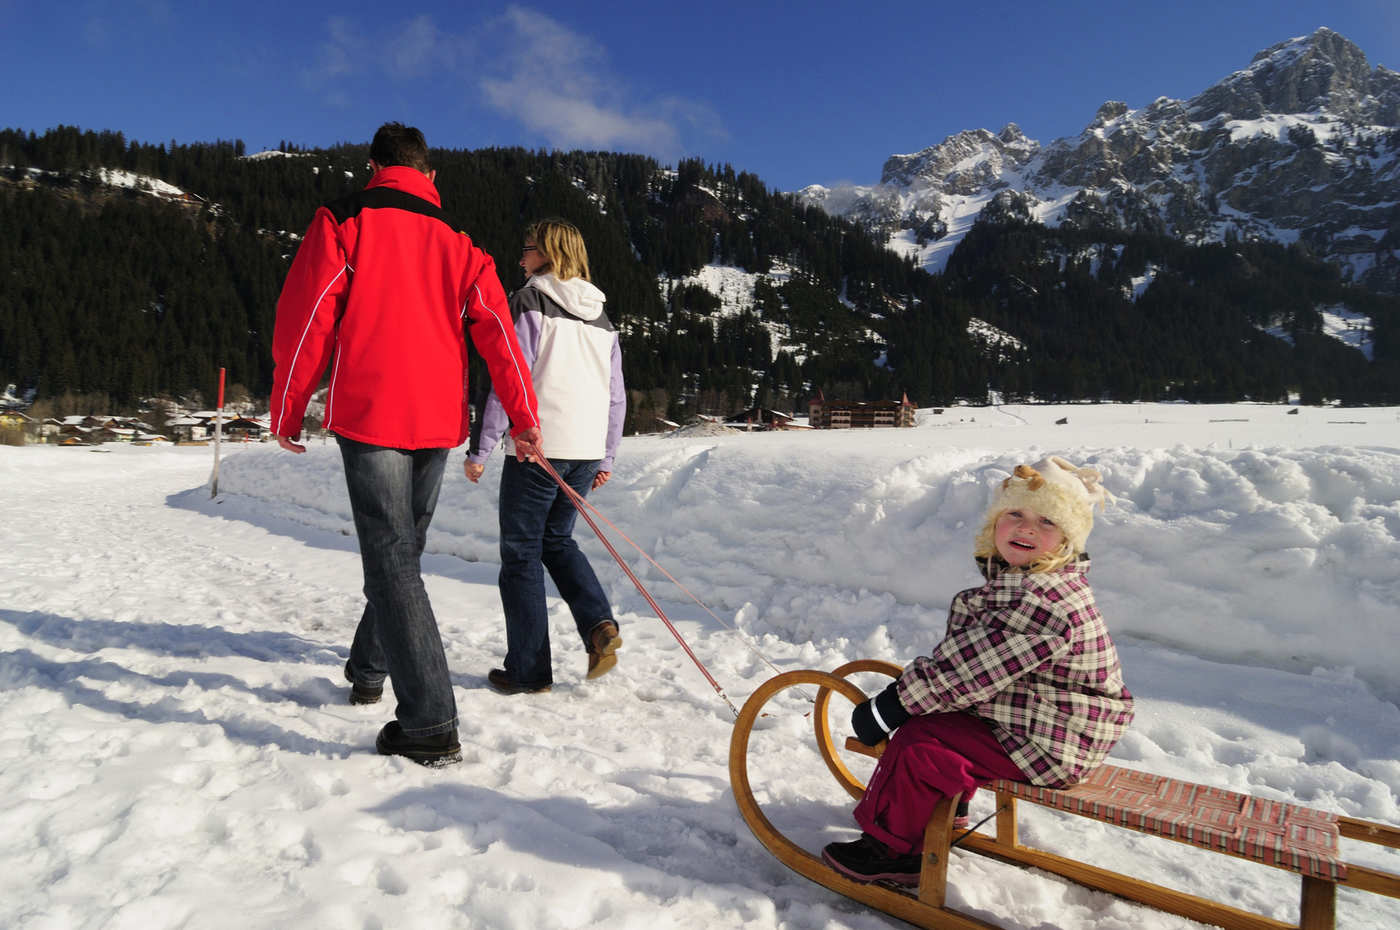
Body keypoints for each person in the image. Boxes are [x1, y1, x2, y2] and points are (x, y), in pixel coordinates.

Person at [269, 122, 542, 766]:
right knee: (403, 553)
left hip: (371, 412)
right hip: (438, 419)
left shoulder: (344, 222)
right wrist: (524, 417)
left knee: (392, 560)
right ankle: (368, 670)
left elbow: (307, 316)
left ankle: (429, 721)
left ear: (372, 167)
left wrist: (288, 406)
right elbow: (499, 333)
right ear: (432, 176)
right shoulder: (462, 245)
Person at [821, 456, 1135, 884]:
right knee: (945, 721)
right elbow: (973, 669)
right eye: (1015, 514)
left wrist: (890, 707)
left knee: (921, 740)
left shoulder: (1043, 602)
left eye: (1046, 522)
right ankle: (945, 813)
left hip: (1057, 740)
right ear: (995, 523)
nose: (1026, 528)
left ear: (1066, 541)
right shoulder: (1024, 583)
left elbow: (965, 674)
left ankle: (893, 849)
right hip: (1041, 721)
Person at [465, 218, 626, 694]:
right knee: (557, 541)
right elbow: (616, 395)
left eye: (529, 248)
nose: (521, 257)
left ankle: (529, 671)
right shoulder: (603, 317)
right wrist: (606, 457)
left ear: (551, 254)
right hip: (583, 451)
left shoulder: (528, 302)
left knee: (520, 556)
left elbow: (509, 378)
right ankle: (598, 624)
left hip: (537, 449)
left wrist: (483, 446)